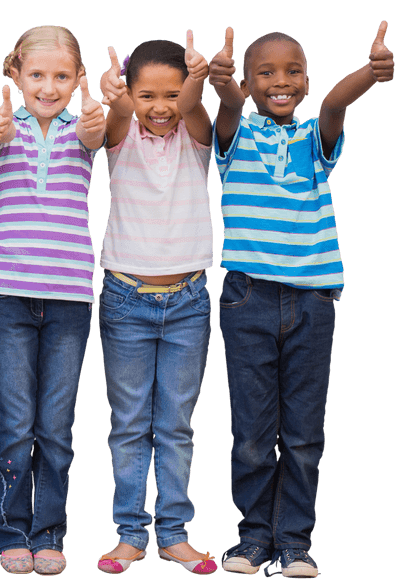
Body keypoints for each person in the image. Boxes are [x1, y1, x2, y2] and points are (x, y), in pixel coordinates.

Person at [208, 23, 393, 578]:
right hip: (248, 300)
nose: (281, 81)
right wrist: (220, 83)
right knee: (252, 434)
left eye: (293, 71)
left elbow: (337, 103)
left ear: (306, 81)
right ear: (246, 81)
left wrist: (373, 70)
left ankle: (294, 543)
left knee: (304, 434)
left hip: (314, 300)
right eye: (266, 72)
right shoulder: (235, 135)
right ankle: (251, 540)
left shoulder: (317, 136)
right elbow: (229, 106)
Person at [0, 24, 105, 577]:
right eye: (36, 75)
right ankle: (9, 530)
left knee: (55, 425)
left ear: (78, 80)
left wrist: (100, 116)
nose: (47, 87)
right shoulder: (2, 126)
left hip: (71, 301)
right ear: (16, 76)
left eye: (60, 76)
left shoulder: (87, 129)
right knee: (14, 423)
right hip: (8, 297)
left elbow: (100, 135)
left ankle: (48, 531)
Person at [94, 32, 217, 576]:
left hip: (189, 300)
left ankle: (172, 533)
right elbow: (121, 111)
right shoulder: (122, 137)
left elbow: (192, 108)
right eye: (148, 97)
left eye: (172, 96)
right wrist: (118, 95)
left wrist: (196, 79)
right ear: (130, 93)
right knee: (127, 423)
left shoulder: (196, 135)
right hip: (126, 299)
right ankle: (129, 535)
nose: (161, 108)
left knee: (175, 424)